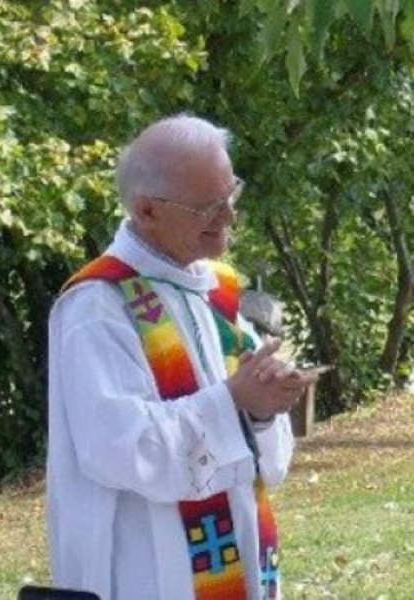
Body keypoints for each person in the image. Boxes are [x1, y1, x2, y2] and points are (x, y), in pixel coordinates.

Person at [46, 115, 318, 599]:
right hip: (148, 572)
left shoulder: (216, 291)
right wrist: (231, 400)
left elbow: (256, 454)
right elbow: (118, 448)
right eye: (208, 206)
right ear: (146, 211)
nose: (229, 216)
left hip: (234, 554)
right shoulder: (98, 305)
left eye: (230, 194)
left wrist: (261, 406)